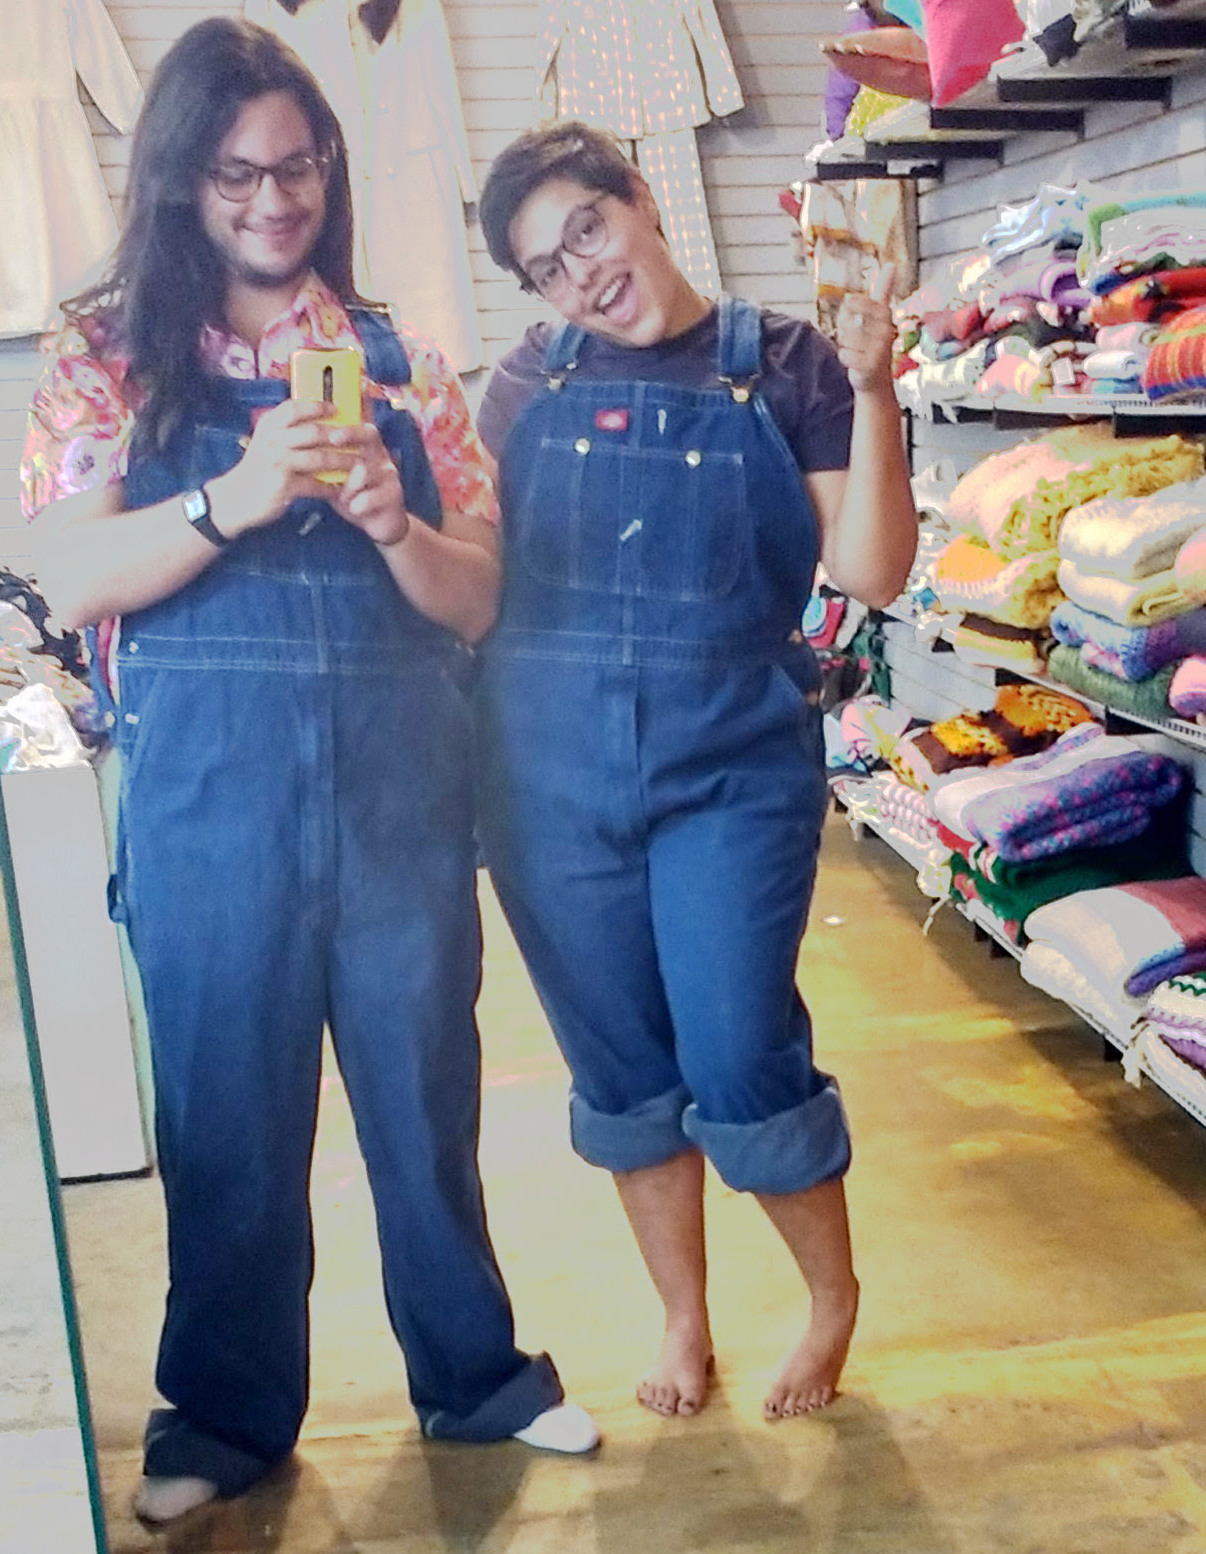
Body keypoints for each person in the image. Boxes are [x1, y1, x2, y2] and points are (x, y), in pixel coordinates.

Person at [20, 20, 597, 1523]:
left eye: (298, 167)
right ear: (179, 178)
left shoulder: (401, 360)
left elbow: (478, 599)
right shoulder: (104, 359)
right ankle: (221, 1418)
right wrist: (234, 495)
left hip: (400, 800)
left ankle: (474, 1375)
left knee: (427, 1099)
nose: (274, 200)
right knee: (227, 1117)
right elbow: (72, 575)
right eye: (237, 174)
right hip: (209, 809)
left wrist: (396, 524)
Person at [473, 122, 918, 1422]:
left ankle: (830, 1298)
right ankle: (684, 1316)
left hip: (731, 771)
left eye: (589, 229)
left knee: (736, 1048)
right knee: (622, 1067)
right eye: (549, 268)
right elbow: (474, 580)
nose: (584, 275)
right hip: (549, 784)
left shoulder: (785, 365)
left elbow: (872, 570)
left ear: (641, 199)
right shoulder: (521, 387)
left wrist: (878, 392)